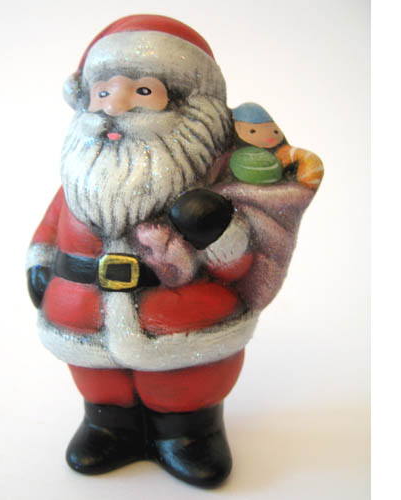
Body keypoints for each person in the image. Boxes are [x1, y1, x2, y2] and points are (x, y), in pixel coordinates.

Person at [26, 14, 321, 488]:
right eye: (103, 92)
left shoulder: (211, 181)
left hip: (182, 319)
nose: (115, 106)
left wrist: (215, 230)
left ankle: (189, 435)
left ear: (186, 108)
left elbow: (239, 264)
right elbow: (48, 225)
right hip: (83, 318)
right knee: (100, 382)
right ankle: (108, 427)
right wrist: (39, 262)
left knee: (184, 385)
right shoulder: (78, 183)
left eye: (143, 91)